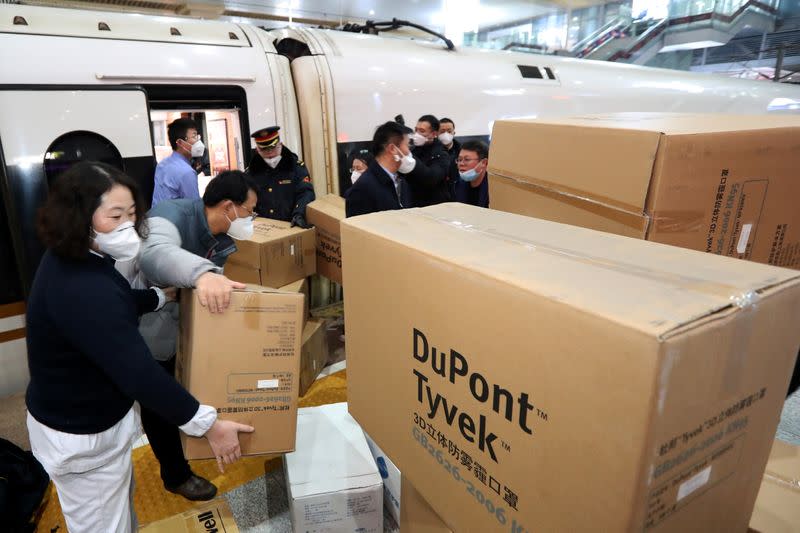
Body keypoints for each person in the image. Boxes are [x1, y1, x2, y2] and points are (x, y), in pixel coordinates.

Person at [25, 161, 253, 533]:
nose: (128, 226)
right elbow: (139, 372)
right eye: (114, 216)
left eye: (131, 214)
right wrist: (207, 425)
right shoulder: (83, 287)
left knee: (119, 514)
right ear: (79, 217)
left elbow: (115, 305)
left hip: (87, 421)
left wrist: (156, 299)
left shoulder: (79, 260)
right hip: (82, 436)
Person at [135, 170, 258, 501]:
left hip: (186, 327)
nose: (251, 219)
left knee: (188, 390)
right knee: (159, 400)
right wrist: (201, 275)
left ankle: (194, 440)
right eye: (250, 211)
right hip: (152, 327)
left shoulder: (221, 237)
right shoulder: (170, 215)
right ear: (229, 207)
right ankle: (175, 475)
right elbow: (154, 253)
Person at [246, 126, 315, 228]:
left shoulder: (295, 167)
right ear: (257, 150)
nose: (269, 153)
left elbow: (306, 192)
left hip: (290, 225)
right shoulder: (251, 173)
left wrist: (299, 213)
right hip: (263, 228)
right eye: (264, 149)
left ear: (280, 144)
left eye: (273, 147)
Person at [346, 121, 413, 217]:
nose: (409, 152)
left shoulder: (401, 182)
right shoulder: (362, 189)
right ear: (393, 149)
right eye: (407, 146)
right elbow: (357, 230)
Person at [399, 114, 451, 207]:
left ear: (434, 134)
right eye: (416, 130)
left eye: (422, 131)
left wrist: (410, 157)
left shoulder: (441, 154)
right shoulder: (414, 150)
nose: (417, 134)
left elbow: (431, 178)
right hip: (414, 204)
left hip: (435, 206)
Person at [152, 118, 205, 207]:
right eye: (194, 137)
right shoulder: (186, 172)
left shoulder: (162, 165)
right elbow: (195, 208)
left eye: (198, 137)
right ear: (180, 142)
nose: (198, 141)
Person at [454, 141, 490, 208]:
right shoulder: (457, 185)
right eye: (459, 159)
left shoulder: (493, 189)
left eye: (467, 159)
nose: (461, 164)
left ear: (484, 163)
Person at [438, 118, 461, 200]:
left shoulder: (461, 151)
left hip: (457, 194)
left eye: (449, 131)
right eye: (442, 131)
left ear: (454, 133)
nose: (446, 134)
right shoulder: (431, 152)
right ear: (437, 133)